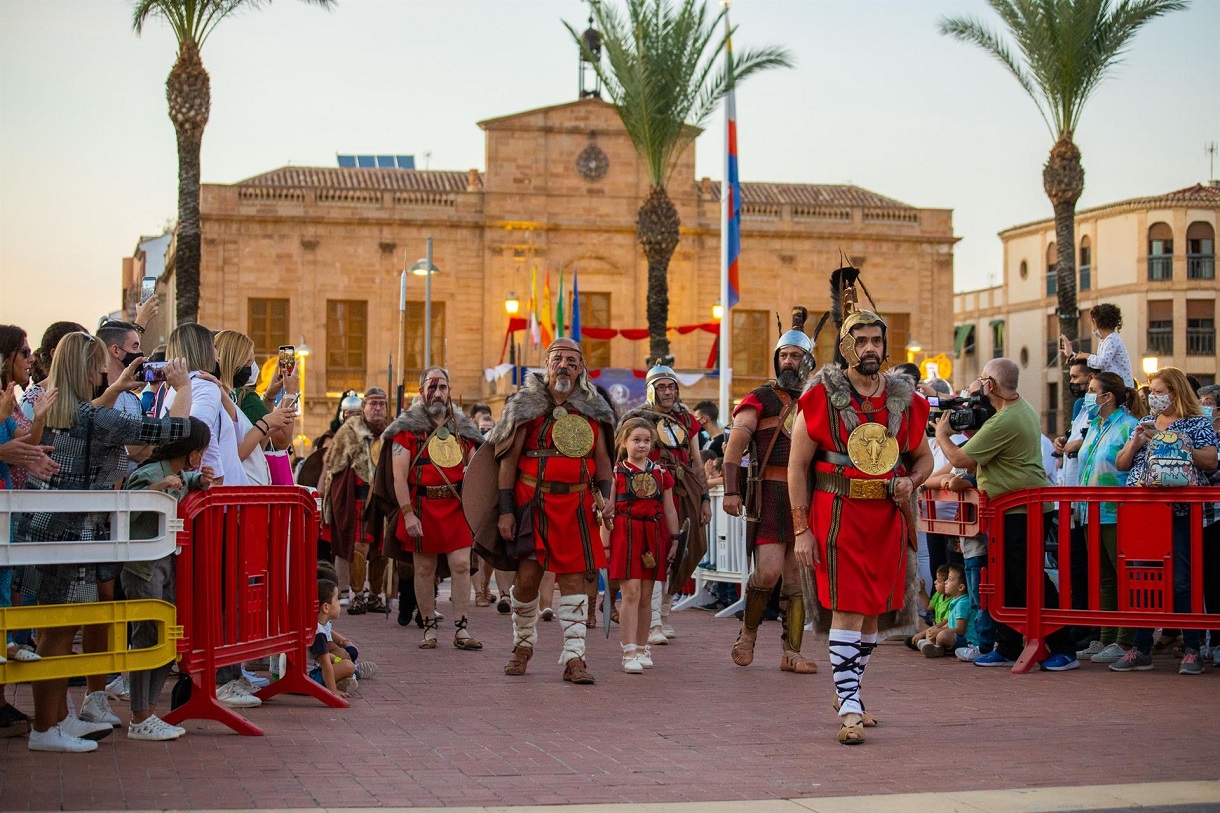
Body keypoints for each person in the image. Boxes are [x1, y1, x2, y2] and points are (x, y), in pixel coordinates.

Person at [17, 333, 194, 753]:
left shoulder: (64, 407)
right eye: (98, 365)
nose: (102, 372)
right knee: (58, 634)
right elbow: (170, 431)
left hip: (50, 528)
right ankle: (46, 729)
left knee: (57, 629)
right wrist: (182, 388)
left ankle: (58, 718)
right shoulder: (94, 418)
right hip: (70, 533)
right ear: (84, 368)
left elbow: (94, 414)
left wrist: (118, 388)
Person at [789, 267, 933, 745]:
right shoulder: (818, 397)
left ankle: (849, 690)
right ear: (847, 345)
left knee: (872, 615)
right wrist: (801, 530)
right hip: (836, 517)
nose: (871, 348)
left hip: (886, 519)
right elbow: (796, 467)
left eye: (877, 340)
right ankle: (849, 705)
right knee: (849, 610)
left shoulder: (906, 402)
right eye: (861, 340)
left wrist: (911, 482)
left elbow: (924, 458)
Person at [483, 338, 616, 684]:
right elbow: (507, 462)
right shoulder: (525, 406)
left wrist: (606, 499)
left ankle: (574, 658)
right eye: (558, 359)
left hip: (576, 506)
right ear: (546, 364)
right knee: (527, 581)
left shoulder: (593, 410)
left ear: (581, 368)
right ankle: (523, 645)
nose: (565, 366)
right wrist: (506, 511)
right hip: (533, 503)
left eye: (573, 361)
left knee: (574, 581)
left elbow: (603, 463)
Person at [935, 358, 1079, 671]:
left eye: (981, 380)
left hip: (1021, 510)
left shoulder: (1006, 419)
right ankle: (1010, 644)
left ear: (989, 384)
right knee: (1009, 582)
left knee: (1029, 580)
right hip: (1012, 510)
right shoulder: (1016, 409)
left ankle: (1065, 647)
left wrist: (942, 433)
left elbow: (962, 457)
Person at [723, 306, 818, 674]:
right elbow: (734, 447)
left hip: (806, 499)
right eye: (784, 355)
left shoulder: (818, 399)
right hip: (771, 495)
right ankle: (747, 635)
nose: (789, 361)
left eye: (796, 355)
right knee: (768, 572)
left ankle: (791, 652)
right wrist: (731, 491)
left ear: (808, 359)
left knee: (797, 576)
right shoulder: (760, 397)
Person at [1112, 366, 1218, 675]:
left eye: (1159, 392)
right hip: (1143, 513)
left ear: (1176, 392)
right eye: (1152, 392)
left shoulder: (1198, 423)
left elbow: (1210, 460)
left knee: (1183, 579)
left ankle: (1193, 649)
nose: (1154, 397)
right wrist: (1135, 442)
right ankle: (1140, 648)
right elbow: (1122, 463)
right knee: (1142, 579)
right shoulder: (1145, 422)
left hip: (1180, 511)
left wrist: (1166, 438)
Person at [121, 416, 214, 741]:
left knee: (168, 637)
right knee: (147, 637)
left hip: (164, 568)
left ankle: (147, 710)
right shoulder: (151, 474)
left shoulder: (176, 474)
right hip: (143, 569)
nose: (202, 458)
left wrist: (199, 483)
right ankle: (140, 714)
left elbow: (185, 482)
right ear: (191, 452)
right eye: (201, 451)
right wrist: (155, 491)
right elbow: (127, 507)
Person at [385, 367, 484, 649]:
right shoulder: (407, 431)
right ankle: (429, 627)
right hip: (422, 505)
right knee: (425, 569)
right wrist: (407, 514)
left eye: (442, 387)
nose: (437, 392)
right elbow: (398, 476)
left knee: (462, 565)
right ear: (421, 392)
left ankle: (462, 629)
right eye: (431, 387)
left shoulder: (462, 429)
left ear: (449, 391)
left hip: (455, 506)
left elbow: (477, 471)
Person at [620, 364, 710, 645]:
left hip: (685, 493)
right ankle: (654, 622)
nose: (668, 392)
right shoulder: (638, 419)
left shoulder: (687, 418)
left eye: (672, 386)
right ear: (651, 390)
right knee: (657, 553)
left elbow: (696, 461)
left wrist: (705, 498)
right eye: (662, 387)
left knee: (688, 550)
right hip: (650, 496)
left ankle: (665, 613)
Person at [1072, 372, 1140, 663]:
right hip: (1091, 511)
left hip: (1117, 512)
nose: (1087, 395)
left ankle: (1125, 641)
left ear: (1107, 396)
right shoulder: (1096, 425)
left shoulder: (1129, 426)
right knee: (1104, 578)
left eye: (1091, 390)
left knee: (1124, 575)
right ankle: (1105, 637)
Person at [604, 417, 680, 674]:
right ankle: (629, 651)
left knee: (648, 596)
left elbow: (669, 508)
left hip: (653, 533)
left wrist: (675, 538)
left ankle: (643, 646)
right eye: (636, 440)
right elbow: (607, 511)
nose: (642, 445)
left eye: (647, 440)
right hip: (625, 532)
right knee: (631, 593)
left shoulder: (661, 472)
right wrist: (605, 545)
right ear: (624, 443)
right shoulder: (615, 473)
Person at [1061, 302, 1134, 387]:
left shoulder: (1112, 340)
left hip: (1122, 387)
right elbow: (1096, 363)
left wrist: (1086, 356)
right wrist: (1072, 354)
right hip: (1114, 386)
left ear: (1095, 322)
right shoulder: (1104, 341)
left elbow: (1101, 362)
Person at [310, 581, 358, 697]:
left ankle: (345, 680)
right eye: (337, 600)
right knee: (348, 666)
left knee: (342, 660)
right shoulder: (318, 632)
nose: (339, 604)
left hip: (307, 673)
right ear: (326, 607)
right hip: (310, 677)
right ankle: (336, 683)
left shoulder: (313, 625)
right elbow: (325, 664)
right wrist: (333, 691)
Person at [918, 564, 971, 658]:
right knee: (932, 630)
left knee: (942, 635)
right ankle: (930, 646)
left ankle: (934, 646)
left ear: (961, 587)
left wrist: (939, 631)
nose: (946, 582)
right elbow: (949, 624)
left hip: (966, 641)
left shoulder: (963, 603)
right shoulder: (955, 601)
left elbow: (960, 630)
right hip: (953, 636)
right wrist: (935, 630)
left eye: (949, 579)